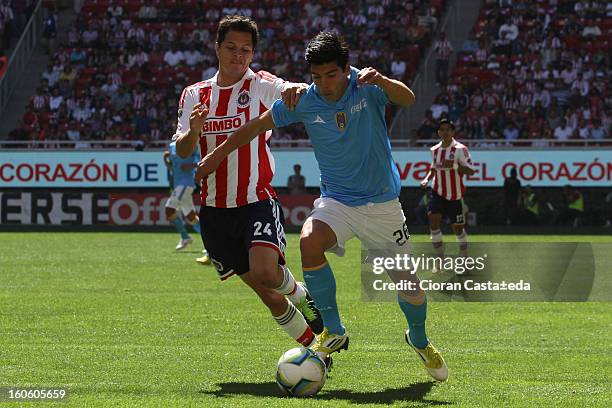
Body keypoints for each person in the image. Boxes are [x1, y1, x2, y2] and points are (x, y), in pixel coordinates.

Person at [196, 32, 448, 382]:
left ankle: (418, 339)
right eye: (316, 77)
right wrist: (215, 155)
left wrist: (386, 81)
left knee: (410, 287)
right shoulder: (306, 100)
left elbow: (407, 98)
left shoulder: (367, 86)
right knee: (309, 240)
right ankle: (333, 329)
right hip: (337, 202)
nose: (324, 84)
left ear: (346, 69)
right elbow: (255, 126)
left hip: (382, 206)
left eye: (331, 75)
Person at [173, 15, 323, 351]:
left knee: (269, 273)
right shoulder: (195, 95)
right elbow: (183, 150)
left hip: (255, 200)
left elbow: (284, 88)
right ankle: (316, 351)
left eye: (245, 50)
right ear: (217, 48)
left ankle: (304, 297)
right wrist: (194, 131)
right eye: (231, 48)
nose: (238, 55)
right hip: (213, 211)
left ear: (252, 54)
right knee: (268, 295)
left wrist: (295, 89)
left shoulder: (257, 84)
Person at [420, 119, 476, 271]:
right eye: (442, 129)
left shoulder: (461, 149)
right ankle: (440, 261)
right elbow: (434, 168)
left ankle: (464, 258)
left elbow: (471, 170)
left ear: (453, 132)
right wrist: (426, 179)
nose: (445, 132)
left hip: (455, 196)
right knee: (433, 221)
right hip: (437, 192)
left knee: (457, 229)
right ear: (438, 132)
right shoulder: (435, 150)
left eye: (448, 129)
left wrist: (456, 165)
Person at [162, 142, 210, 265]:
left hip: (186, 183)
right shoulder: (172, 145)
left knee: (169, 209)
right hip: (178, 184)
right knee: (191, 217)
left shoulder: (192, 144)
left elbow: (200, 161)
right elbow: (172, 167)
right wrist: (165, 158)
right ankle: (210, 245)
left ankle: (185, 237)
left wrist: (190, 166)